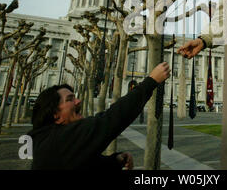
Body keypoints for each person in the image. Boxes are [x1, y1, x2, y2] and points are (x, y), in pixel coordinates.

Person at [28, 62, 170, 170]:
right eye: (70, 99)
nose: (78, 101)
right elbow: (111, 119)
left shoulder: (50, 140)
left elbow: (86, 163)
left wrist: (115, 161)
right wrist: (151, 81)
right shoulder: (58, 140)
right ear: (56, 116)